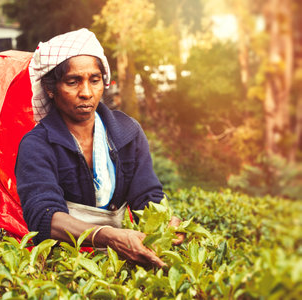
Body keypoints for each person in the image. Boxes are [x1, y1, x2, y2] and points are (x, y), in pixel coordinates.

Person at [15, 28, 184, 267]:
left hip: (118, 258)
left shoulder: (127, 131)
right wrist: (108, 236)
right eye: (73, 82)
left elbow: (146, 196)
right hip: (64, 263)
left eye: (94, 80)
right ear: (51, 89)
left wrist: (165, 223)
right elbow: (43, 216)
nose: (86, 93)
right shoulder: (37, 144)